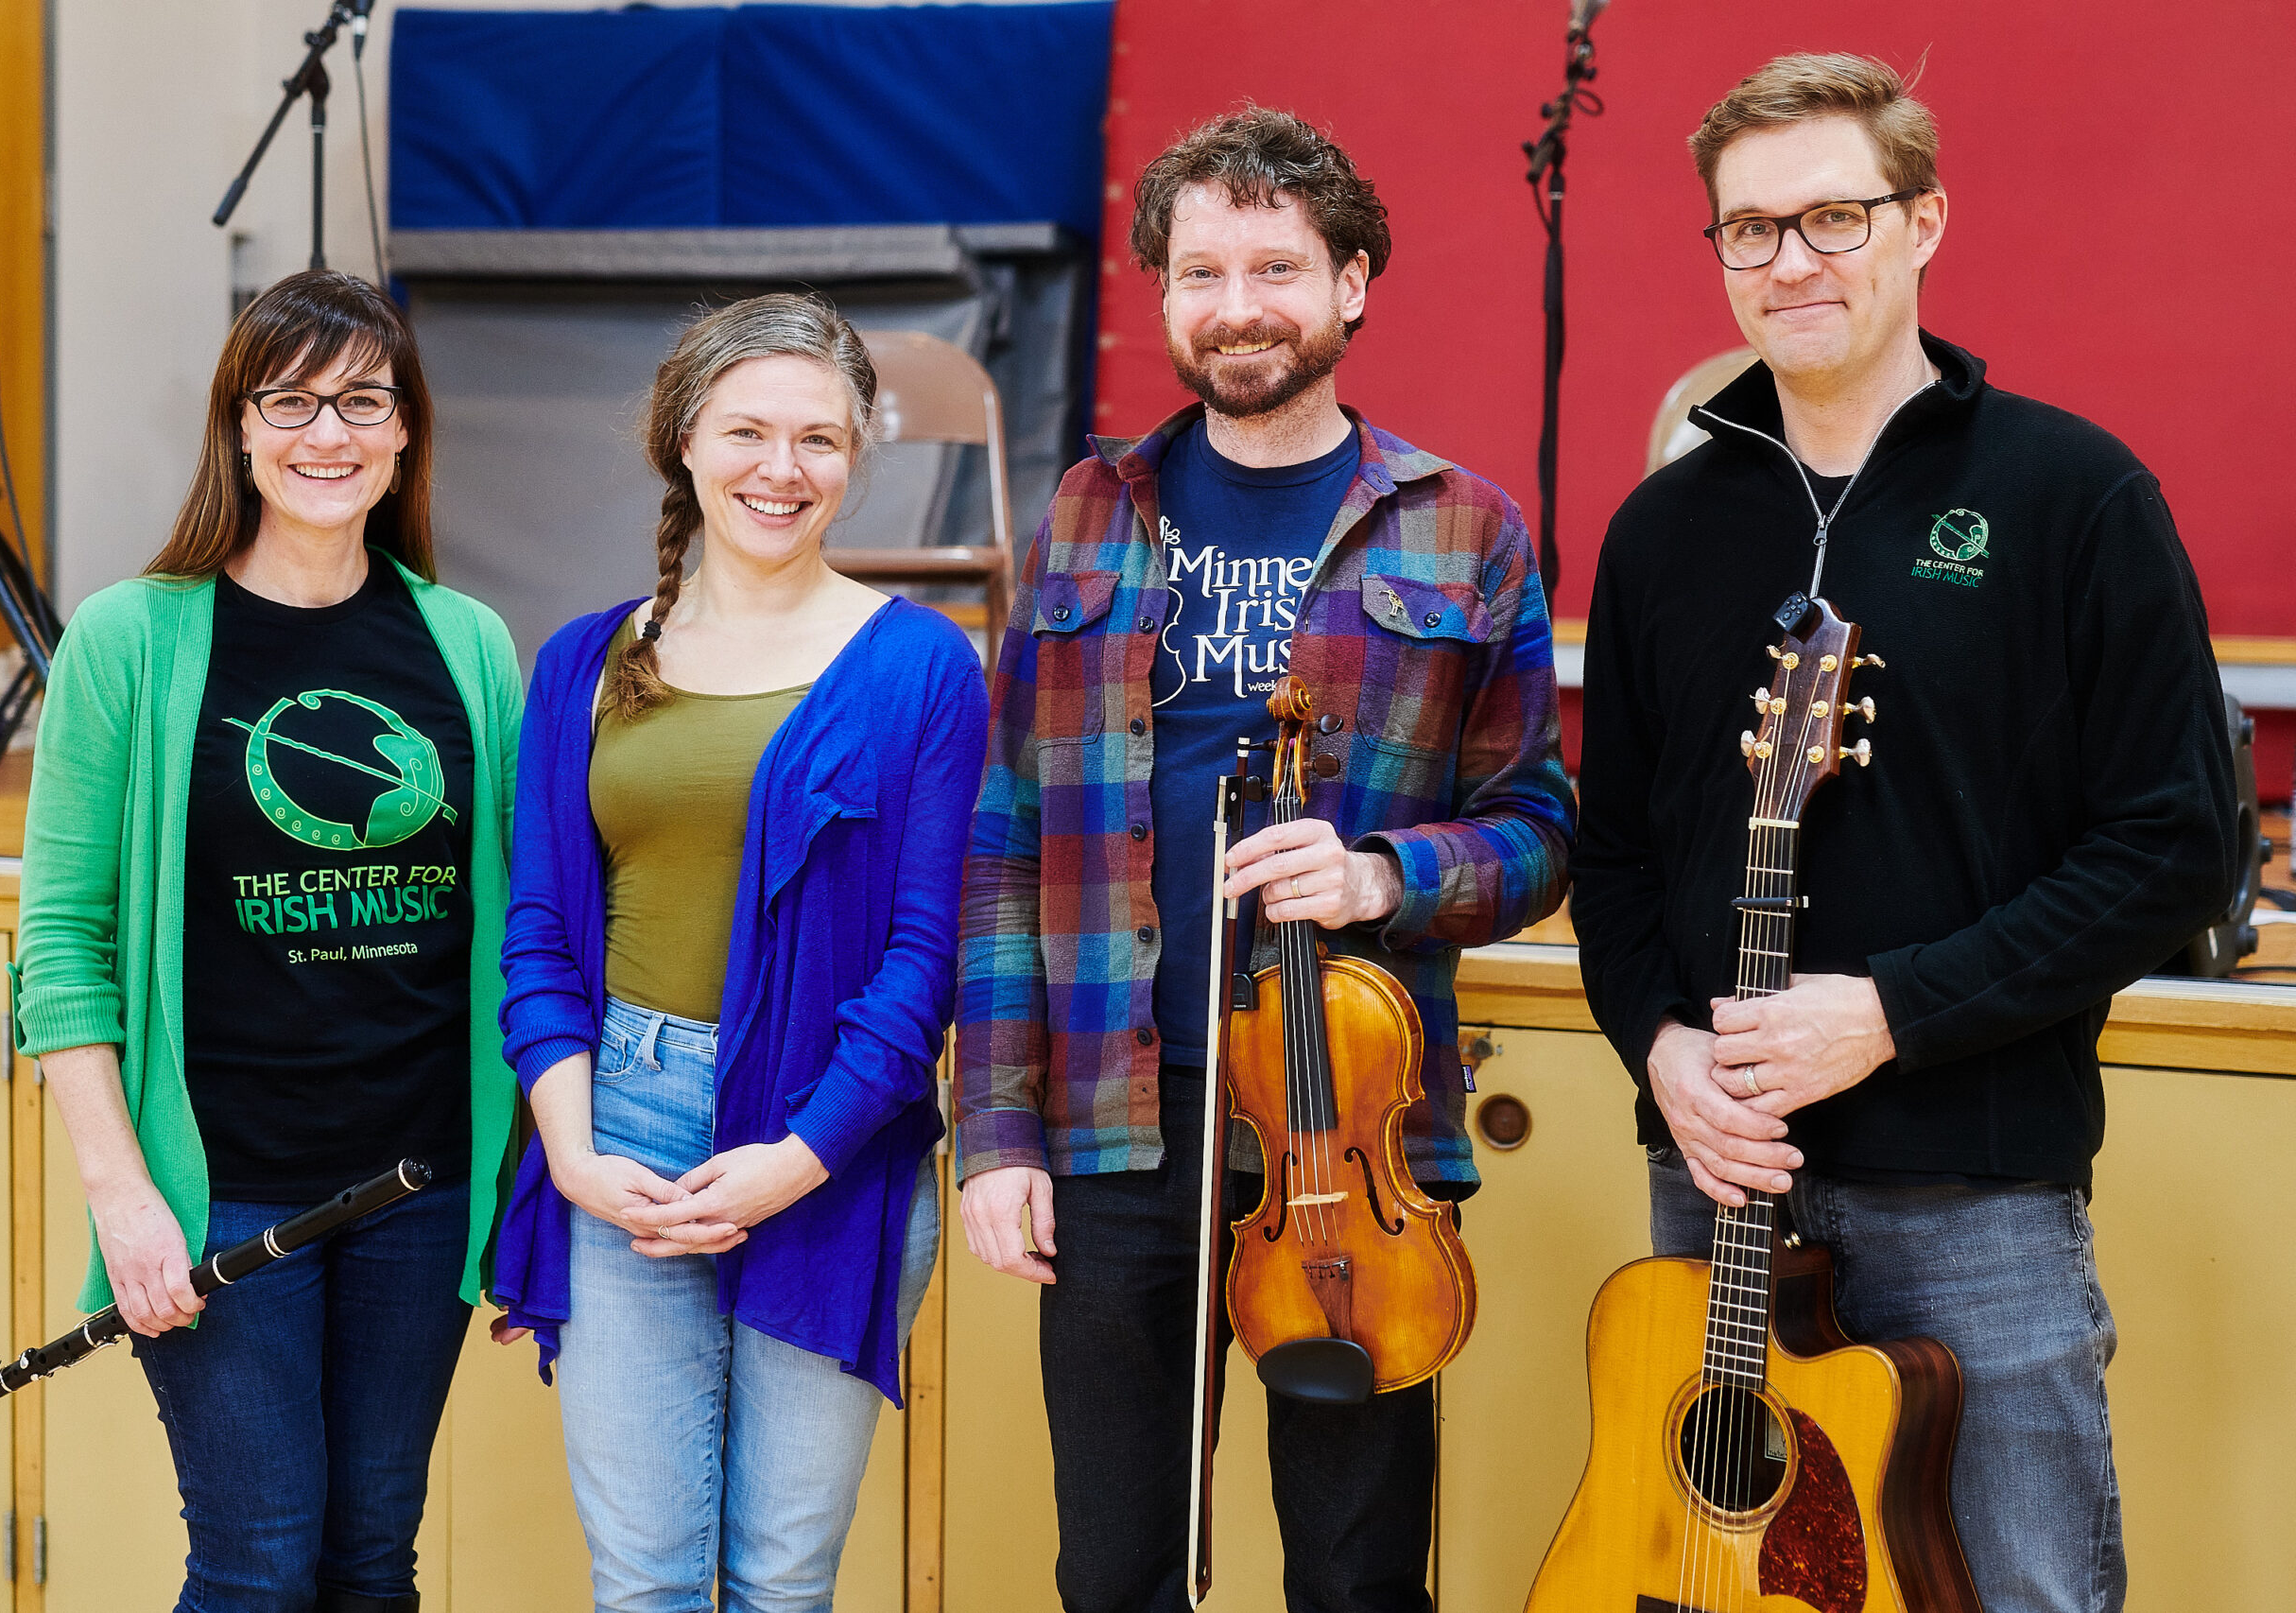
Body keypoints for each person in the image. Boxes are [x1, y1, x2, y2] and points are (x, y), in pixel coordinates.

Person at [1572, 54, 2235, 1613]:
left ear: (1923, 221)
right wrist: (1660, 1048)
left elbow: (2174, 846)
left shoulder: (2074, 495)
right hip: (1718, 1192)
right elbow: (1610, 860)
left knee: (2019, 1591)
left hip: (1976, 1205)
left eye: (1834, 217)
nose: (1791, 261)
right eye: (1750, 231)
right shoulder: (1662, 530)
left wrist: (1890, 1013)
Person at [955, 108, 1574, 1613]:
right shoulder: (1090, 510)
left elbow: (1543, 828)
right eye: (1201, 271)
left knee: (1358, 1574)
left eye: (1278, 267)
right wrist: (995, 1129)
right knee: (1114, 1568)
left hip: (1341, 1122)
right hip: (1114, 1112)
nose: (1238, 306)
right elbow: (1007, 829)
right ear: (1163, 296)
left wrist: (1381, 876)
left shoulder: (1464, 527)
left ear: (1354, 283)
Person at [14, 269, 524, 1613]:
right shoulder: (131, 638)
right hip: (220, 1189)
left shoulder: (469, 643)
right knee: (255, 1564)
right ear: (238, 427)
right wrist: (123, 1195)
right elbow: (60, 943)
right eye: (289, 399)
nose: (328, 431)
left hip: (422, 1186)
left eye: (364, 397)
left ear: (406, 427)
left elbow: (523, 919)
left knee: (371, 1564)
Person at [492, 291, 986, 1613]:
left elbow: (921, 961)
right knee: (647, 1578)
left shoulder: (923, 666)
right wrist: (577, 1150)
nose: (783, 469)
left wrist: (796, 1157)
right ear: (684, 441)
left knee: (781, 1579)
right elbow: (538, 933)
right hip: (617, 1130)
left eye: (820, 440)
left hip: (829, 1137)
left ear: (858, 457)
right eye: (748, 431)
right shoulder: (585, 663)